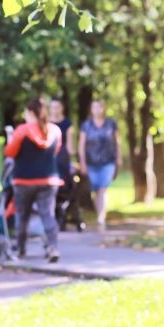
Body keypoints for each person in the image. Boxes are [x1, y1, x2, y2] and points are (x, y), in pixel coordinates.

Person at [3, 98, 63, 262]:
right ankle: (53, 247)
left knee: (22, 216)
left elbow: (10, 152)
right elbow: (55, 151)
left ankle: (21, 249)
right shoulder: (55, 131)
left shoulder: (21, 131)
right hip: (48, 180)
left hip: (23, 181)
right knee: (48, 215)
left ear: (30, 113)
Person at [79, 99, 122, 232]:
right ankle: (99, 212)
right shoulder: (86, 125)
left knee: (102, 189)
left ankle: (101, 217)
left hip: (107, 161)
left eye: (99, 107)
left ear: (104, 109)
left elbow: (117, 142)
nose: (97, 110)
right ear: (91, 110)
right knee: (95, 189)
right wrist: (83, 163)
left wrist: (118, 158)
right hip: (91, 162)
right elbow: (81, 145)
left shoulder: (111, 124)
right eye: (94, 107)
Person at [50, 98, 75, 182]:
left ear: (62, 108)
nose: (55, 110)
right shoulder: (46, 123)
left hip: (62, 157)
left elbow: (69, 146)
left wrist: (74, 160)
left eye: (57, 107)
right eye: (53, 107)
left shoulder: (67, 124)